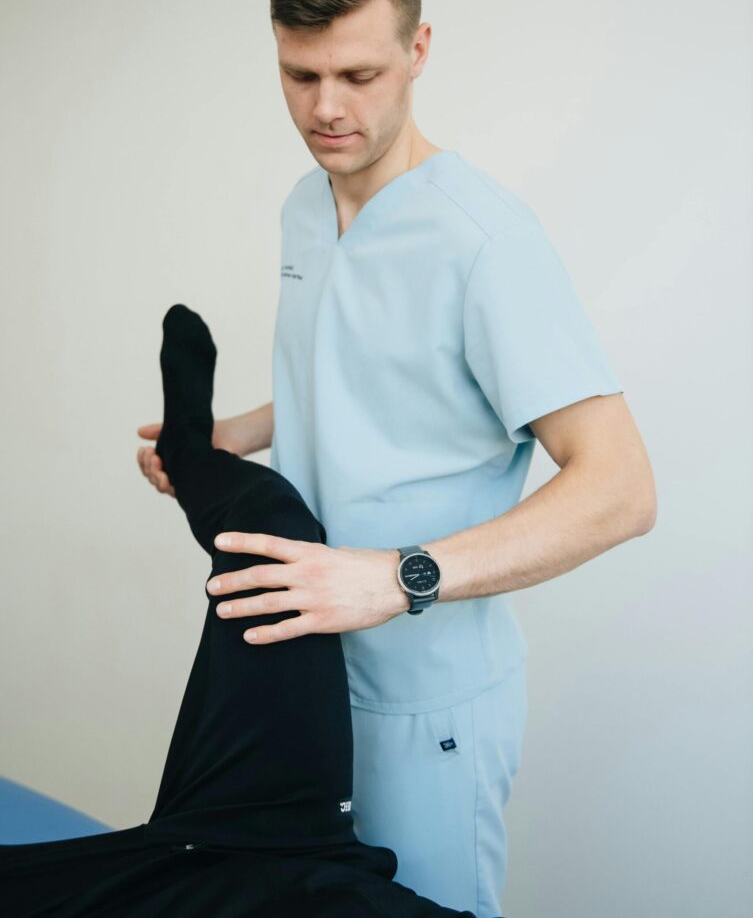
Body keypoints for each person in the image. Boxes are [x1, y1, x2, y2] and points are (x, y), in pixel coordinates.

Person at [137, 0, 657, 917]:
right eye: (300, 74)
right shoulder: (306, 205)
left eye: (359, 75)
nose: (326, 108)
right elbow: (367, 370)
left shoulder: (484, 243)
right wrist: (235, 434)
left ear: (418, 50)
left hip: (426, 704)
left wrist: (394, 577)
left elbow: (621, 487)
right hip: (299, 679)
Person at [1, 303, 490, 918]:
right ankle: (189, 449)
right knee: (276, 536)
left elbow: (606, 494)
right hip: (299, 862)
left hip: (221, 872)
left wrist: (395, 579)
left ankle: (188, 448)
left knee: (275, 536)